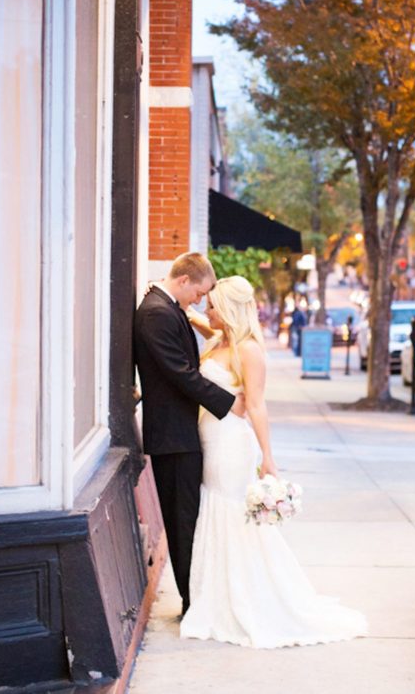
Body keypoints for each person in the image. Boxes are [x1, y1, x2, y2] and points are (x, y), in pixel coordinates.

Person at [180, 275, 367, 648]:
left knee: (230, 514)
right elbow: (200, 321)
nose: (207, 309)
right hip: (209, 437)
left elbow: (256, 405)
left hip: (231, 444)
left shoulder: (248, 349)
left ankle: (242, 599)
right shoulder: (221, 339)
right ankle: (217, 596)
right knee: (216, 510)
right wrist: (179, 305)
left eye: (213, 305)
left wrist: (269, 458)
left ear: (229, 310)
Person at [133, 252, 245, 615]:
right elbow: (181, 373)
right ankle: (192, 603)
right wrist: (229, 403)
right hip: (173, 435)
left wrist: (200, 319)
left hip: (182, 432)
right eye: (199, 293)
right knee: (182, 524)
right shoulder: (156, 313)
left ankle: (197, 597)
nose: (199, 300)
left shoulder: (168, 308)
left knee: (189, 520)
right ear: (183, 281)